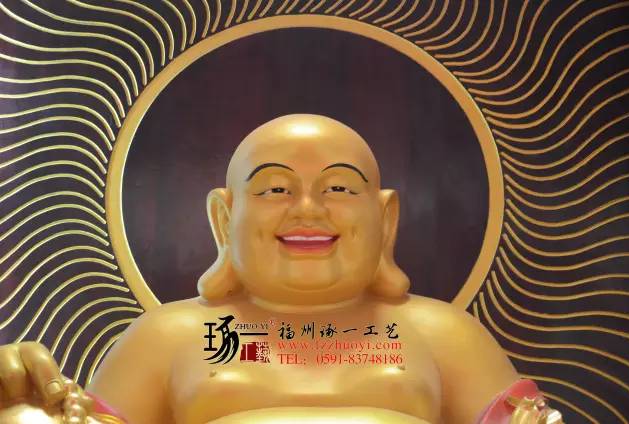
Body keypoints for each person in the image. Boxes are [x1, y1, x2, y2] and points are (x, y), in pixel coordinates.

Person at [0, 115, 562, 423]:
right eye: (274, 189)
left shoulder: (444, 335)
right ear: (225, 218)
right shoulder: (164, 338)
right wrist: (22, 413)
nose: (307, 210)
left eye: (338, 188)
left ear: (385, 216)